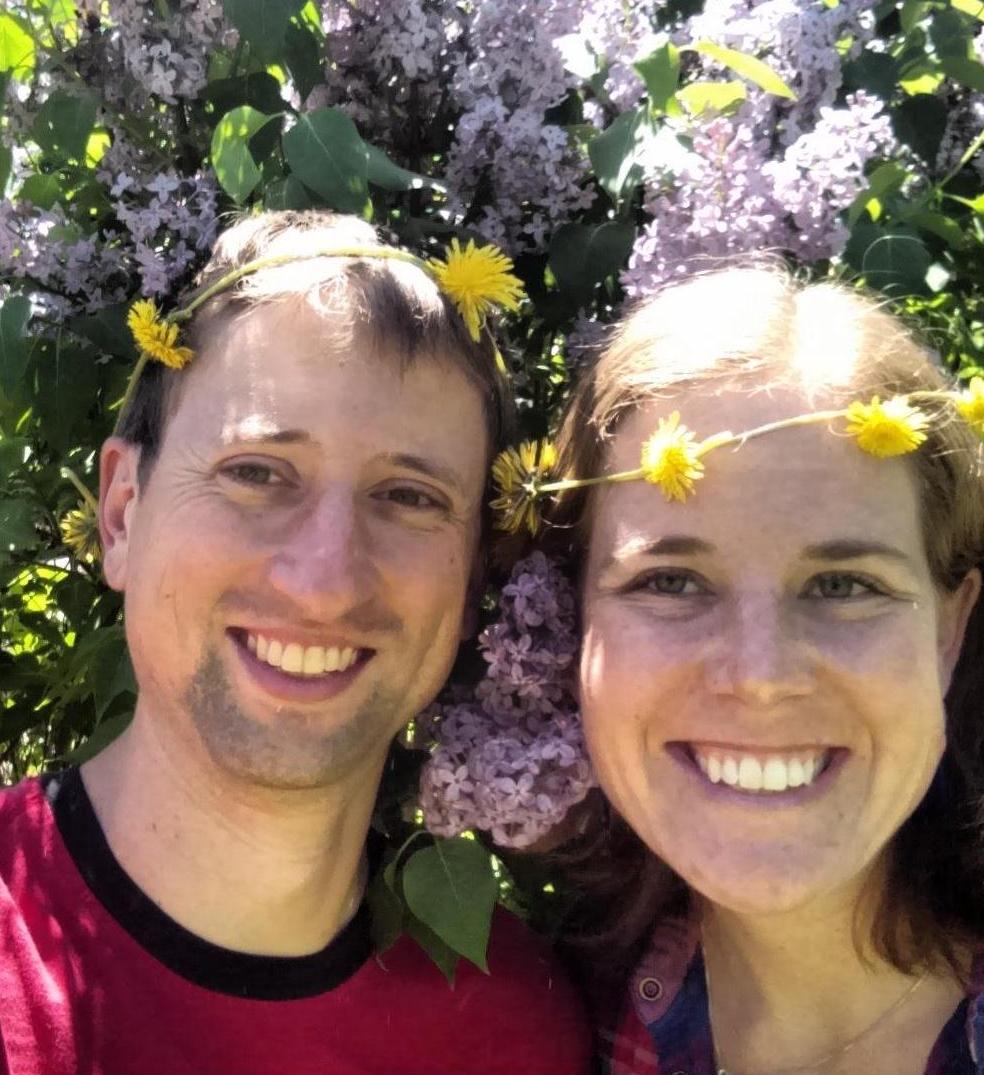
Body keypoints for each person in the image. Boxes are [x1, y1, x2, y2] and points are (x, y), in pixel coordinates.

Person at [0, 211, 591, 1075]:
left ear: (472, 580)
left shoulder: (519, 1034)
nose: (325, 581)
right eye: (257, 473)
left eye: (409, 496)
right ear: (122, 514)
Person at [506, 266, 984, 1075]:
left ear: (952, 628)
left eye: (843, 586)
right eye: (670, 580)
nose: (759, 674)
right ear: (571, 625)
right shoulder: (544, 1023)